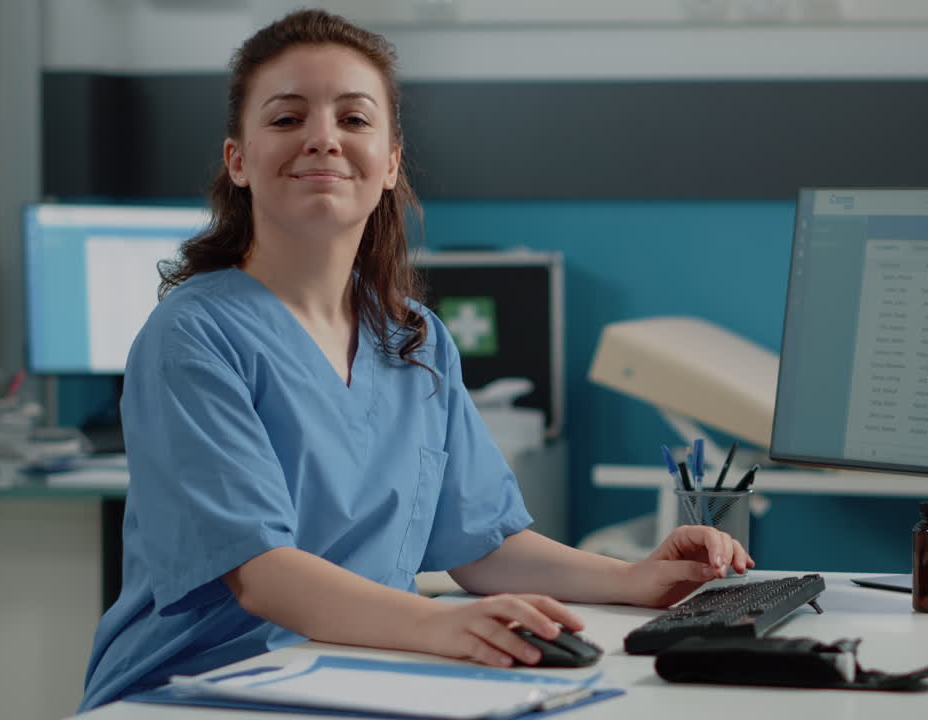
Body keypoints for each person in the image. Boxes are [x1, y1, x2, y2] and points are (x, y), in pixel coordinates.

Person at [78, 9, 751, 711]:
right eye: (286, 119)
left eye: (354, 119)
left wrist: (633, 579)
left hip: (362, 677)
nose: (322, 139)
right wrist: (441, 624)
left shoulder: (413, 340)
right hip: (197, 692)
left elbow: (484, 546)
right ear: (237, 161)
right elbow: (261, 575)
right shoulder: (193, 335)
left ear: (391, 160)